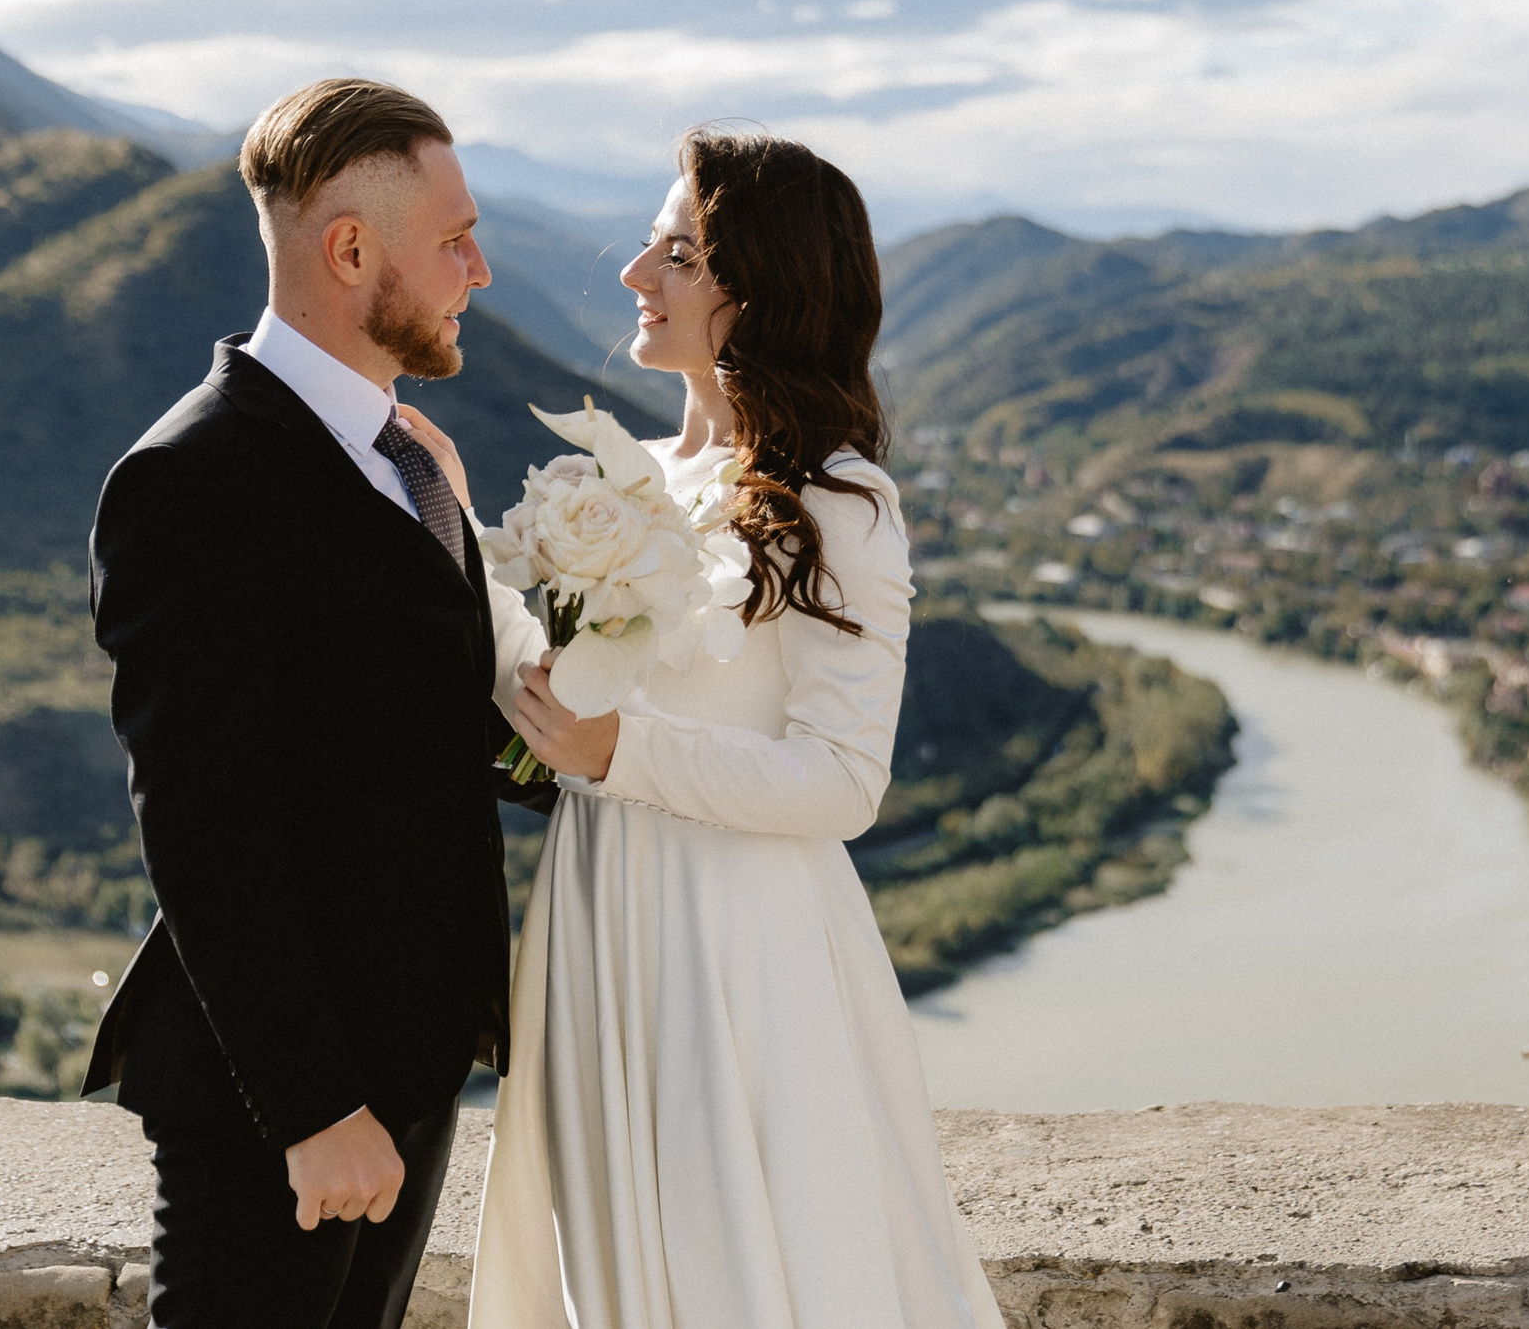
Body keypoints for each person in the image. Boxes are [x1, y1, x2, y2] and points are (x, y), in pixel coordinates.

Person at [470, 130, 1005, 1328]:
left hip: (739, 948)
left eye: (678, 254)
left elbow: (842, 783)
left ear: (763, 288)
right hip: (595, 913)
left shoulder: (838, 501)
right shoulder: (625, 482)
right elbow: (556, 695)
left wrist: (622, 755)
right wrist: (455, 536)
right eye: (651, 246)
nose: (635, 276)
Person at [81, 78, 553, 1328]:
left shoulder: (415, 459)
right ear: (349, 251)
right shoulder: (189, 478)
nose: (479, 271)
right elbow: (201, 820)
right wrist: (312, 1108)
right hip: (281, 1100)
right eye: (454, 240)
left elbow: (416, 726)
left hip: (410, 1063)